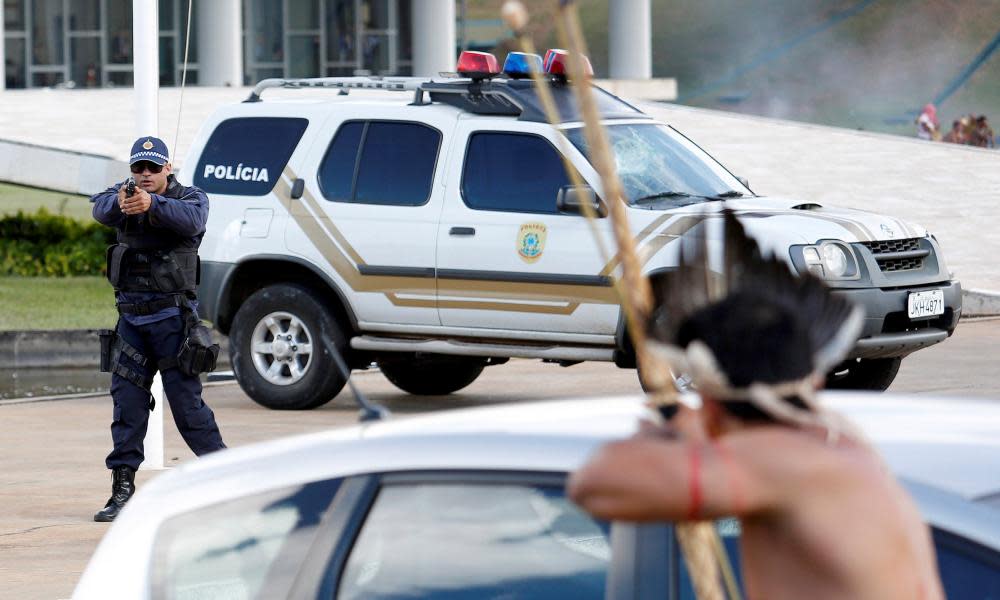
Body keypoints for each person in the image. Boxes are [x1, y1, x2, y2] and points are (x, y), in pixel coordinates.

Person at [568, 211, 944, 599]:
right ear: (813, 380)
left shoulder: (775, 462)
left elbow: (592, 485)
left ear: (711, 404)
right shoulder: (846, 448)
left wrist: (678, 426)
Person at [91, 136, 226, 522]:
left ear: (168, 168)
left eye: (153, 167)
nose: (145, 175)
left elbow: (193, 221)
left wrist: (153, 205)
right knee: (127, 408)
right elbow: (99, 209)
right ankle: (122, 490)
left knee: (189, 409)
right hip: (131, 321)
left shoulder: (190, 198)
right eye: (139, 168)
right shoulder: (123, 195)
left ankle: (227, 482)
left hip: (173, 322)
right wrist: (121, 201)